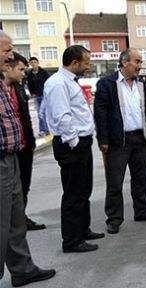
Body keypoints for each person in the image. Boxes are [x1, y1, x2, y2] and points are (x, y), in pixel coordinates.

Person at [0, 29, 56, 287]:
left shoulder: (5, 84)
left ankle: (22, 269)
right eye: (6, 50)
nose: (11, 56)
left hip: (11, 158)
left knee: (15, 220)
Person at [43, 45, 104, 253]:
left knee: (83, 190)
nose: (88, 66)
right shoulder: (58, 83)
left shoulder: (70, 82)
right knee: (73, 193)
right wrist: (74, 142)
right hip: (71, 145)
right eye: (86, 62)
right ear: (74, 62)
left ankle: (82, 230)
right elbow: (62, 116)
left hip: (81, 142)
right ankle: (71, 240)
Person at [94, 48, 146, 234]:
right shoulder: (107, 84)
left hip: (141, 138)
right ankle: (114, 218)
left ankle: (141, 211)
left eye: (140, 62)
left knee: (141, 179)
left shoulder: (143, 86)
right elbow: (100, 114)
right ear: (125, 63)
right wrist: (103, 140)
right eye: (137, 61)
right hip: (118, 141)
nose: (140, 65)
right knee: (115, 181)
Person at [3, 52, 46, 231]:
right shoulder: (2, 91)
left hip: (24, 145)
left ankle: (22, 217)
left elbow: (25, 117)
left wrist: (30, 141)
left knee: (23, 185)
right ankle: (12, 221)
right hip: (7, 149)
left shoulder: (19, 88)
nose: (24, 73)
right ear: (8, 68)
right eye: (21, 69)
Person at [26, 56, 50, 137]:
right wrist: (32, 93)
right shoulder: (30, 74)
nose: (33, 64)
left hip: (44, 96)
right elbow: (29, 85)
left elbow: (49, 83)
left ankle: (44, 130)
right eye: (31, 63)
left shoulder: (43, 72)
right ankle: (45, 130)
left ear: (38, 63)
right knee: (40, 114)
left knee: (41, 113)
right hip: (36, 96)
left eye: (35, 62)